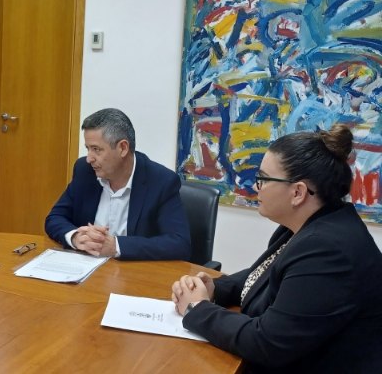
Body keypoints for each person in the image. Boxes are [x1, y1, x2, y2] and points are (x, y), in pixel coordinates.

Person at [171, 124, 382, 373]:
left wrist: (198, 309)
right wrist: (216, 288)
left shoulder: (329, 250)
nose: (256, 186)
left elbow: (267, 343)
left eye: (263, 179)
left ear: (298, 192)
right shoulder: (309, 225)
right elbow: (266, 275)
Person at [45, 108, 190, 260]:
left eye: (96, 149)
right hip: (85, 266)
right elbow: (55, 217)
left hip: (133, 271)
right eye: (88, 149)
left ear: (123, 148)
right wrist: (75, 237)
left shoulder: (161, 181)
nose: (89, 158)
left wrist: (116, 246)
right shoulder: (85, 171)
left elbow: (179, 244)